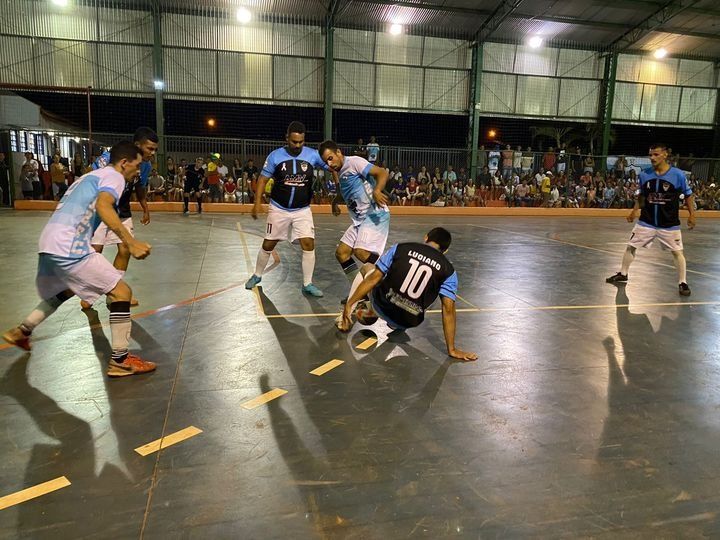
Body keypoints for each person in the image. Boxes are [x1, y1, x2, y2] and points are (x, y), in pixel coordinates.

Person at [2, 141, 156, 377]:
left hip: (49, 243)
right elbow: (105, 206)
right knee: (121, 292)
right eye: (136, 166)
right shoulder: (114, 177)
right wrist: (131, 242)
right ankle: (121, 361)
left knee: (68, 289)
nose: (138, 170)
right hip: (69, 246)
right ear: (124, 163)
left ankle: (22, 331)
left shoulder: (88, 177)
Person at [336, 227, 477, 362]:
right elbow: (448, 309)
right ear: (445, 250)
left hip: (381, 305)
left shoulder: (402, 248)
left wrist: (349, 304)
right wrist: (452, 349)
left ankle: (362, 309)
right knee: (435, 294)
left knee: (369, 268)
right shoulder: (449, 271)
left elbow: (374, 278)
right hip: (409, 320)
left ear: (426, 237)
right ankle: (395, 322)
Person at [245, 121, 335, 297]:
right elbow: (262, 179)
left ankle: (307, 284)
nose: (298, 145)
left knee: (308, 243)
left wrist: (339, 189)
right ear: (287, 138)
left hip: (302, 209)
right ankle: (257, 275)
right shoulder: (275, 156)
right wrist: (257, 203)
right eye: (294, 142)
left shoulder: (313, 155)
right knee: (269, 243)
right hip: (279, 208)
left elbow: (333, 167)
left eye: (301, 142)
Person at [82, 127, 157, 309]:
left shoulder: (145, 165)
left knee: (125, 250)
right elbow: (88, 174)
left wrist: (145, 208)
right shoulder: (111, 158)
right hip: (100, 208)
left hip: (122, 209)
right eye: (150, 148)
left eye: (155, 149)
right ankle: (88, 293)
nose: (153, 153)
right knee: (95, 252)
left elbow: (140, 187)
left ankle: (116, 291)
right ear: (137, 145)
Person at [606, 143, 695, 296]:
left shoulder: (678, 175)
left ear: (665, 155)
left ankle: (683, 282)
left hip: (669, 223)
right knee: (631, 246)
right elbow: (641, 196)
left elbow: (688, 195)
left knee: (677, 252)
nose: (652, 158)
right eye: (650, 155)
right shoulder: (645, 175)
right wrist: (634, 211)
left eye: (656, 154)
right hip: (646, 221)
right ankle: (623, 273)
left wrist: (692, 214)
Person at [318, 139, 390, 301]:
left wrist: (377, 190)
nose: (330, 163)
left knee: (360, 251)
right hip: (359, 220)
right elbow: (345, 193)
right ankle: (361, 293)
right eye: (325, 162)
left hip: (374, 214)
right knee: (342, 253)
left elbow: (382, 173)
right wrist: (335, 202)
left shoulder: (354, 162)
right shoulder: (339, 173)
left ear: (338, 152)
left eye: (330, 158)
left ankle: (388, 277)